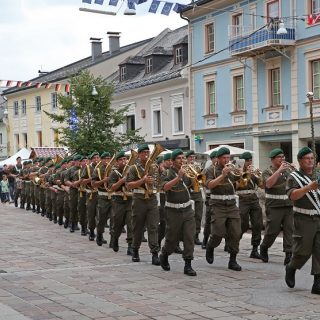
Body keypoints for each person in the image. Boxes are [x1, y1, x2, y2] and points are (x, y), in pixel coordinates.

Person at [285, 147, 320, 294]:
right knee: (303, 251)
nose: (310, 161)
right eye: (307, 158)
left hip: (318, 216)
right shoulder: (294, 176)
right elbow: (293, 196)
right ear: (300, 161)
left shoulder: (317, 175)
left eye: (312, 158)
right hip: (304, 218)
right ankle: (291, 267)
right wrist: (308, 187)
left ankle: (317, 282)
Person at [159, 149, 197, 276]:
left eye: (183, 158)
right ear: (173, 161)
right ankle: (165, 254)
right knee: (172, 239)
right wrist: (178, 177)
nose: (182, 160)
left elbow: (194, 184)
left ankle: (188, 264)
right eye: (179, 158)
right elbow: (164, 187)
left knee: (189, 237)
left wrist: (195, 176)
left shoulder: (187, 172)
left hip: (187, 209)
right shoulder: (167, 173)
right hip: (173, 210)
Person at [205, 147, 242, 271]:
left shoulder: (232, 169)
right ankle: (210, 246)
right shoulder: (211, 170)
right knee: (218, 232)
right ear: (218, 158)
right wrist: (223, 175)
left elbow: (241, 182)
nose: (227, 160)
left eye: (228, 157)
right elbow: (210, 185)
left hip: (231, 203)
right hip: (217, 204)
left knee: (236, 233)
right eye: (224, 158)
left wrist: (241, 174)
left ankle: (233, 260)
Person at [126, 143, 160, 265]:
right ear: (139, 154)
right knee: (138, 227)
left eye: (148, 153)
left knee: (153, 227)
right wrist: (142, 180)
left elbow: (158, 182)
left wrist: (154, 181)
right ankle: (135, 249)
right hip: (139, 199)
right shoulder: (133, 168)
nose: (146, 155)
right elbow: (129, 185)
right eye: (144, 153)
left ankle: (155, 253)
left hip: (151, 199)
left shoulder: (154, 166)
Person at [260, 148, 293, 265]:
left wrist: (294, 170)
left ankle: (289, 254)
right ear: (272, 159)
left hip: (288, 205)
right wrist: (279, 171)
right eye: (279, 157)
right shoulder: (267, 172)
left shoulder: (288, 171)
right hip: (274, 206)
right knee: (272, 230)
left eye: (283, 157)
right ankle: (264, 246)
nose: (282, 159)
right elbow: (268, 184)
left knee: (290, 230)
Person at [236, 152, 263, 259]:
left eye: (250, 160)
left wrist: (258, 175)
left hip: (253, 199)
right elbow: (237, 186)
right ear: (242, 161)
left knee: (258, 224)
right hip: (242, 199)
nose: (249, 162)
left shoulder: (253, 171)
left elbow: (261, 185)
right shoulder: (237, 172)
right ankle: (234, 243)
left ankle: (255, 249)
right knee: (243, 224)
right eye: (247, 160)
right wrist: (246, 173)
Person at [109, 151, 133, 255]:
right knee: (118, 223)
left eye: (125, 159)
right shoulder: (114, 173)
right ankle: (115, 238)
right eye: (121, 160)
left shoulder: (131, 171)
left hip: (129, 200)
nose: (124, 161)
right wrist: (121, 181)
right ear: (117, 162)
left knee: (131, 224)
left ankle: (130, 245)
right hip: (118, 201)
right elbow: (111, 188)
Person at [186, 150, 204, 245]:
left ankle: (196, 235)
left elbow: (202, 181)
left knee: (198, 216)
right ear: (187, 158)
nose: (192, 159)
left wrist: (198, 172)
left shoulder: (197, 167)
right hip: (188, 194)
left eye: (193, 157)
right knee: (189, 217)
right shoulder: (184, 168)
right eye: (190, 157)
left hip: (197, 194)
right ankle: (187, 235)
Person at [202, 150, 217, 249]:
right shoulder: (208, 170)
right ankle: (205, 240)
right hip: (210, 197)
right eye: (215, 158)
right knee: (208, 220)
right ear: (212, 159)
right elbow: (203, 182)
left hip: (221, 198)